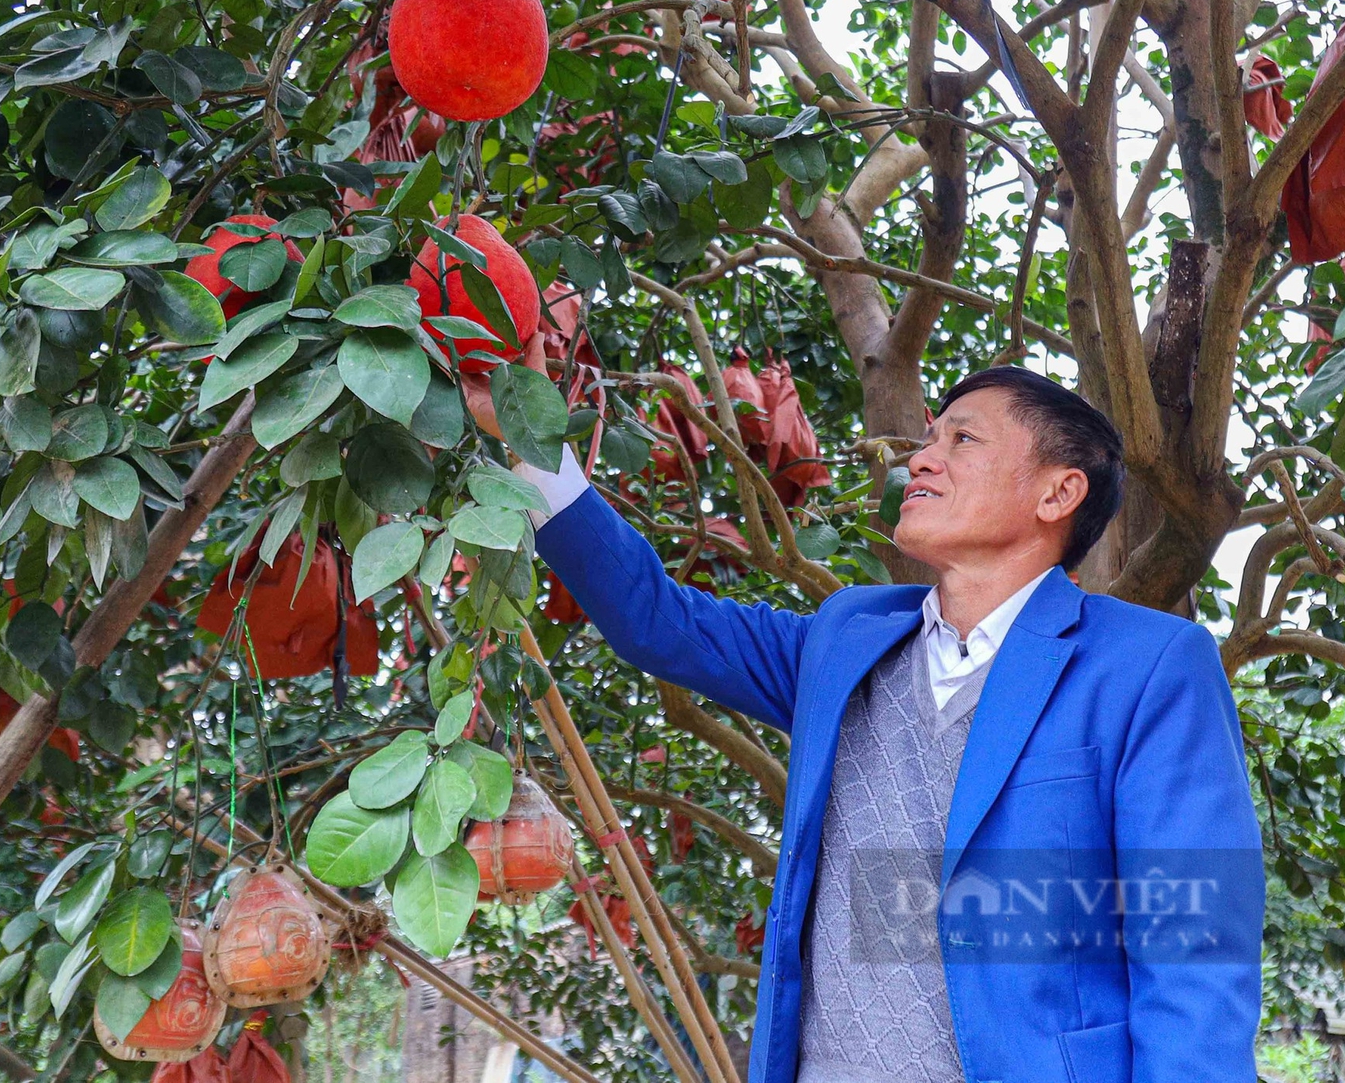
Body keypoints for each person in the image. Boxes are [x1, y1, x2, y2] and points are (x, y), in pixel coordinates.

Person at [471, 353, 1263, 1083]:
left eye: (963, 439)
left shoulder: (1149, 664)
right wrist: (529, 437)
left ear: (1058, 493)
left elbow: (1194, 952)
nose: (921, 459)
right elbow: (656, 620)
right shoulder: (844, 642)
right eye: (927, 438)